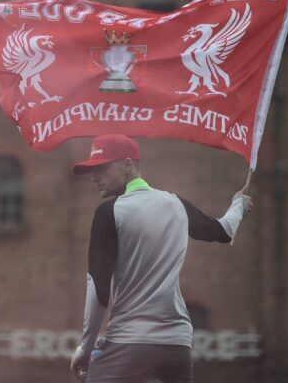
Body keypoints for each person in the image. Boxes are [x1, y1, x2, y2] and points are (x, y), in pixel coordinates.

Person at [69, 134, 252, 383]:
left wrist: (85, 347)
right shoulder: (176, 204)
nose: (94, 177)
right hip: (177, 345)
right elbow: (223, 231)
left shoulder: (109, 213)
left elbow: (98, 287)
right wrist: (238, 205)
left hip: (130, 342)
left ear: (127, 165)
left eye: (101, 167)